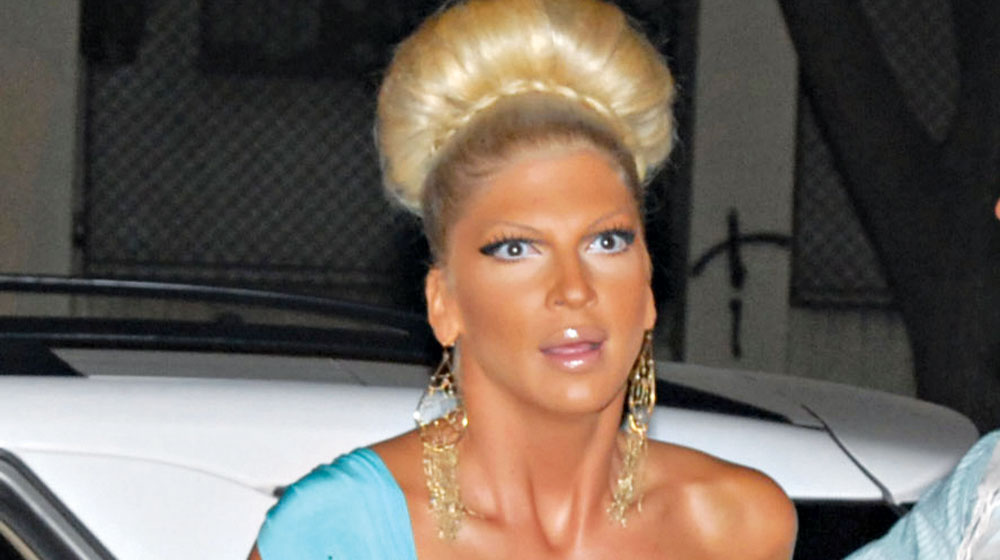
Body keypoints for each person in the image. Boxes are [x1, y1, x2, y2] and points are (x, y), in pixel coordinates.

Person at [248, 0, 797, 558]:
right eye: (516, 249)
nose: (574, 289)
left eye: (607, 242)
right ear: (443, 303)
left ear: (648, 286)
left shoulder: (739, 526)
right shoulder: (338, 533)